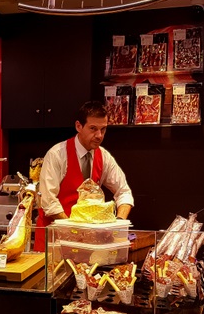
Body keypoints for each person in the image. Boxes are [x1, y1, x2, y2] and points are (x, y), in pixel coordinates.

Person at [35, 100, 134, 250]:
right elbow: (48, 201)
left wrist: (119, 223)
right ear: (78, 126)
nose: (99, 135)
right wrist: (73, 231)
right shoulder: (57, 154)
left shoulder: (104, 157)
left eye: (103, 129)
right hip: (55, 240)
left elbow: (124, 192)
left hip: (88, 243)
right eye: (93, 129)